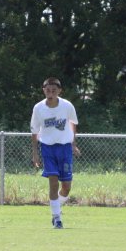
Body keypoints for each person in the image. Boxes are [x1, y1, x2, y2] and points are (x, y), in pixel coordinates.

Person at [31, 77, 80, 229]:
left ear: (59, 91)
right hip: (48, 148)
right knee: (53, 182)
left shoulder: (67, 106)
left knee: (66, 187)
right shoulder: (38, 108)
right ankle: (56, 217)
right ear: (43, 90)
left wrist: (73, 144)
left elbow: (73, 123)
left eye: (54, 90)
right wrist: (35, 153)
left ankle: (56, 206)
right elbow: (34, 131)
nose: (50, 93)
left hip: (65, 148)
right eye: (47, 90)